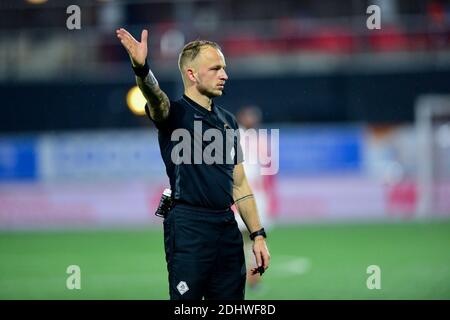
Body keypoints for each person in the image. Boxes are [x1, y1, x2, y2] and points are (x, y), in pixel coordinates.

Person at [116, 28, 270, 300]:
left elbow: (240, 184)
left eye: (224, 68)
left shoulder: (228, 122)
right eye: (215, 68)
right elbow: (155, 97)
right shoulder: (173, 115)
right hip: (188, 226)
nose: (225, 75)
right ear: (192, 74)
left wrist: (258, 235)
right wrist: (142, 69)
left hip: (226, 225)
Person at [235, 105, 275, 291]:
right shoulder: (236, 138)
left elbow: (268, 173)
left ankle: (253, 277)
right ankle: (244, 277)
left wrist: (270, 196)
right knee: (240, 240)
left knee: (254, 239)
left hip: (257, 196)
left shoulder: (262, 140)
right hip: (240, 194)